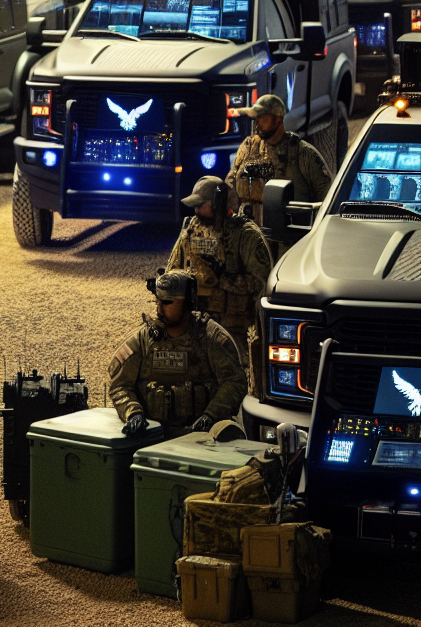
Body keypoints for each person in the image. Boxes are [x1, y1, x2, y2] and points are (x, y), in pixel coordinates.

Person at [108, 271, 247, 439]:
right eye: (157, 301)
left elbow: (234, 381)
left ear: (187, 303)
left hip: (200, 437)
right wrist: (133, 413)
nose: (159, 309)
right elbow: (120, 384)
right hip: (154, 435)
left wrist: (211, 415)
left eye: (167, 302)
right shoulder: (144, 338)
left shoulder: (210, 337)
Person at [166, 175, 272, 368]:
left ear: (217, 203)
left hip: (233, 329)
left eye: (201, 205)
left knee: (235, 378)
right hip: (196, 324)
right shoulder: (191, 230)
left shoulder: (246, 235)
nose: (196, 210)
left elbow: (261, 282)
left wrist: (221, 280)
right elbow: (172, 269)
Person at [225, 93, 331, 225]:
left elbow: (328, 196)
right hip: (249, 234)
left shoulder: (302, 153)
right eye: (256, 118)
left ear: (278, 119)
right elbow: (231, 182)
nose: (257, 124)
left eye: (263, 119)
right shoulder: (248, 148)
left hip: (287, 236)